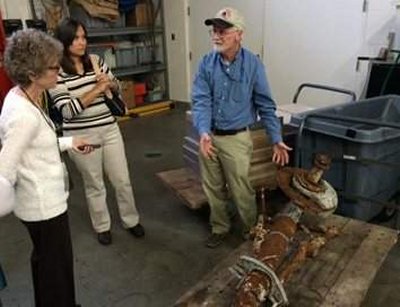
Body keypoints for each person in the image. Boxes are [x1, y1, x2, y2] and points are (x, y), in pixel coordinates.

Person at [0, 29, 93, 306]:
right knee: (56, 269)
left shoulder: (21, 96)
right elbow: (5, 166)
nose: (58, 72)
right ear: (32, 73)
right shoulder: (24, 115)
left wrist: (69, 142)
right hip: (43, 206)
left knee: (46, 263)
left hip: (39, 203)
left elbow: (36, 144)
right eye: (54, 67)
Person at [191, 7, 292, 248]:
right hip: (209, 137)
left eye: (223, 31)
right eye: (214, 31)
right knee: (212, 187)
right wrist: (203, 131)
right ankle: (220, 227)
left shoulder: (253, 65)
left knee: (240, 189)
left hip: (236, 139)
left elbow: (265, 105)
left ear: (239, 34)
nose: (216, 35)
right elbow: (201, 101)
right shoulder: (206, 63)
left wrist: (275, 137)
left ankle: (249, 229)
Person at [49, 18, 145, 245]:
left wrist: (110, 85)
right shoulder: (56, 73)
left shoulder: (95, 61)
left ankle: (131, 220)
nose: (81, 42)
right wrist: (98, 88)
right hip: (82, 136)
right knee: (94, 184)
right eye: (75, 38)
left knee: (122, 180)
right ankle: (102, 226)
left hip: (110, 130)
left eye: (83, 37)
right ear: (63, 42)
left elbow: (117, 86)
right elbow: (68, 111)